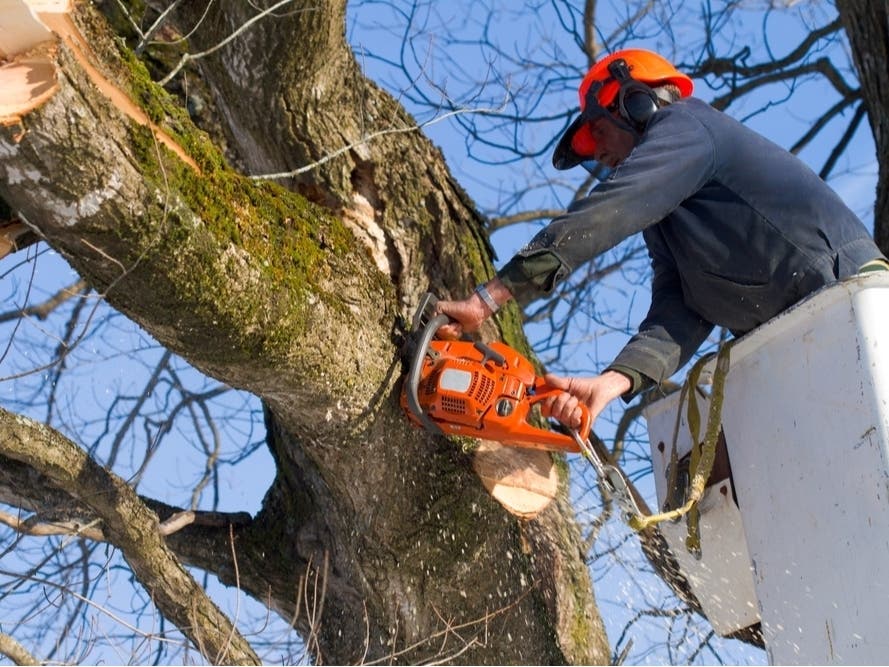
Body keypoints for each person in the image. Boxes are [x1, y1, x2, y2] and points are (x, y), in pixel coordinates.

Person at [436, 48, 887, 430]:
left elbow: (611, 209)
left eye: (599, 133)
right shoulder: (668, 216)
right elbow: (681, 309)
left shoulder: (688, 126)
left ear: (636, 104)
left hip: (850, 300)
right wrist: (611, 383)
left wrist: (488, 299)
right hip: (800, 340)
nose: (604, 156)